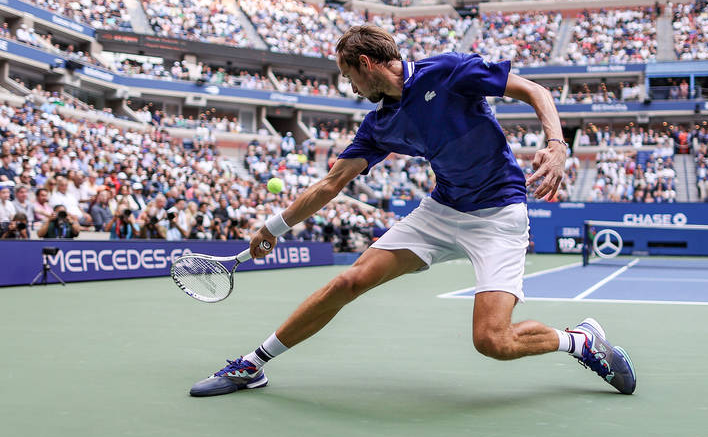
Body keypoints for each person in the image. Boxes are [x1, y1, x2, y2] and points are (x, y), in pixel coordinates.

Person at [189, 25, 636, 397]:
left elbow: (533, 90)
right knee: (348, 281)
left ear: (366, 64)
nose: (351, 88)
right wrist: (273, 227)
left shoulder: (448, 70)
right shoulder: (378, 125)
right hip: (440, 212)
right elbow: (331, 183)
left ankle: (578, 341)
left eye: (349, 77)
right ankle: (252, 364)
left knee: (492, 340)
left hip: (499, 216)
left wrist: (557, 145)